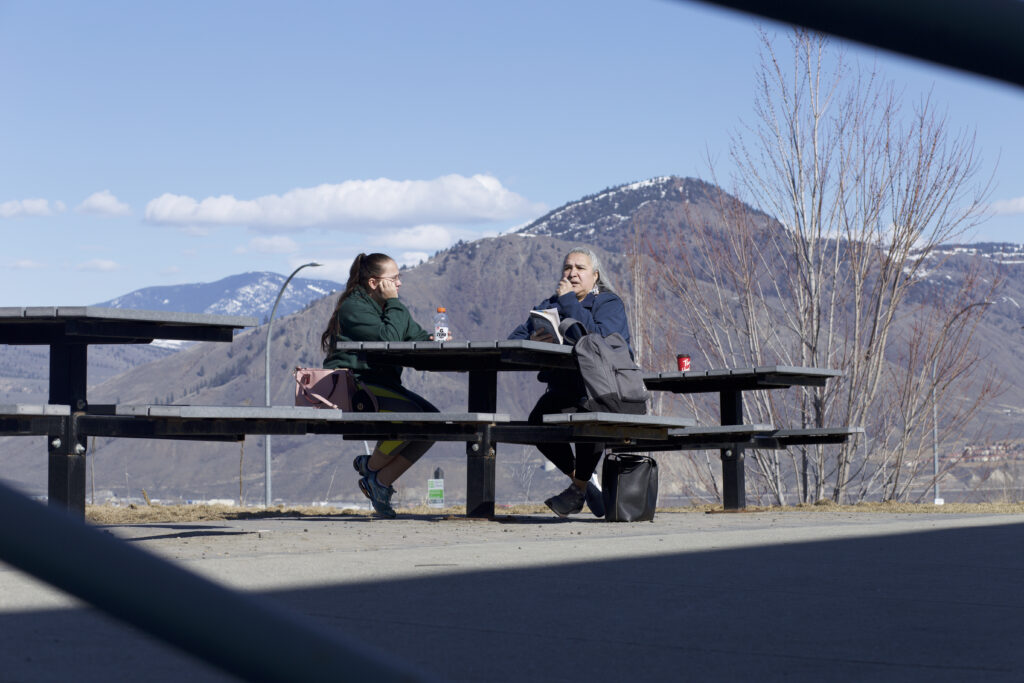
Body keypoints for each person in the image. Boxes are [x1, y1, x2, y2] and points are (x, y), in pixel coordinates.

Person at [508, 246, 633, 518]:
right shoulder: (550, 304)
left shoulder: (608, 303)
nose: (572, 273)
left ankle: (577, 490)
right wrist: (532, 340)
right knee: (536, 425)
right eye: (568, 267)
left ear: (595, 275)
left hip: (603, 390)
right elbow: (513, 337)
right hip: (563, 388)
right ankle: (584, 485)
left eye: (580, 268)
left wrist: (569, 304)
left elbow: (602, 340)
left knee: (588, 419)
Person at [321, 252, 438, 518]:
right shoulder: (354, 308)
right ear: (374, 283)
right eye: (394, 278)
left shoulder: (391, 307)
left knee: (436, 424)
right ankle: (371, 469)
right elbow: (389, 339)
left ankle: (378, 480)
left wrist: (435, 341)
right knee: (414, 418)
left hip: (383, 384)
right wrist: (394, 304)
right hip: (357, 385)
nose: (399, 284)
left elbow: (415, 336)